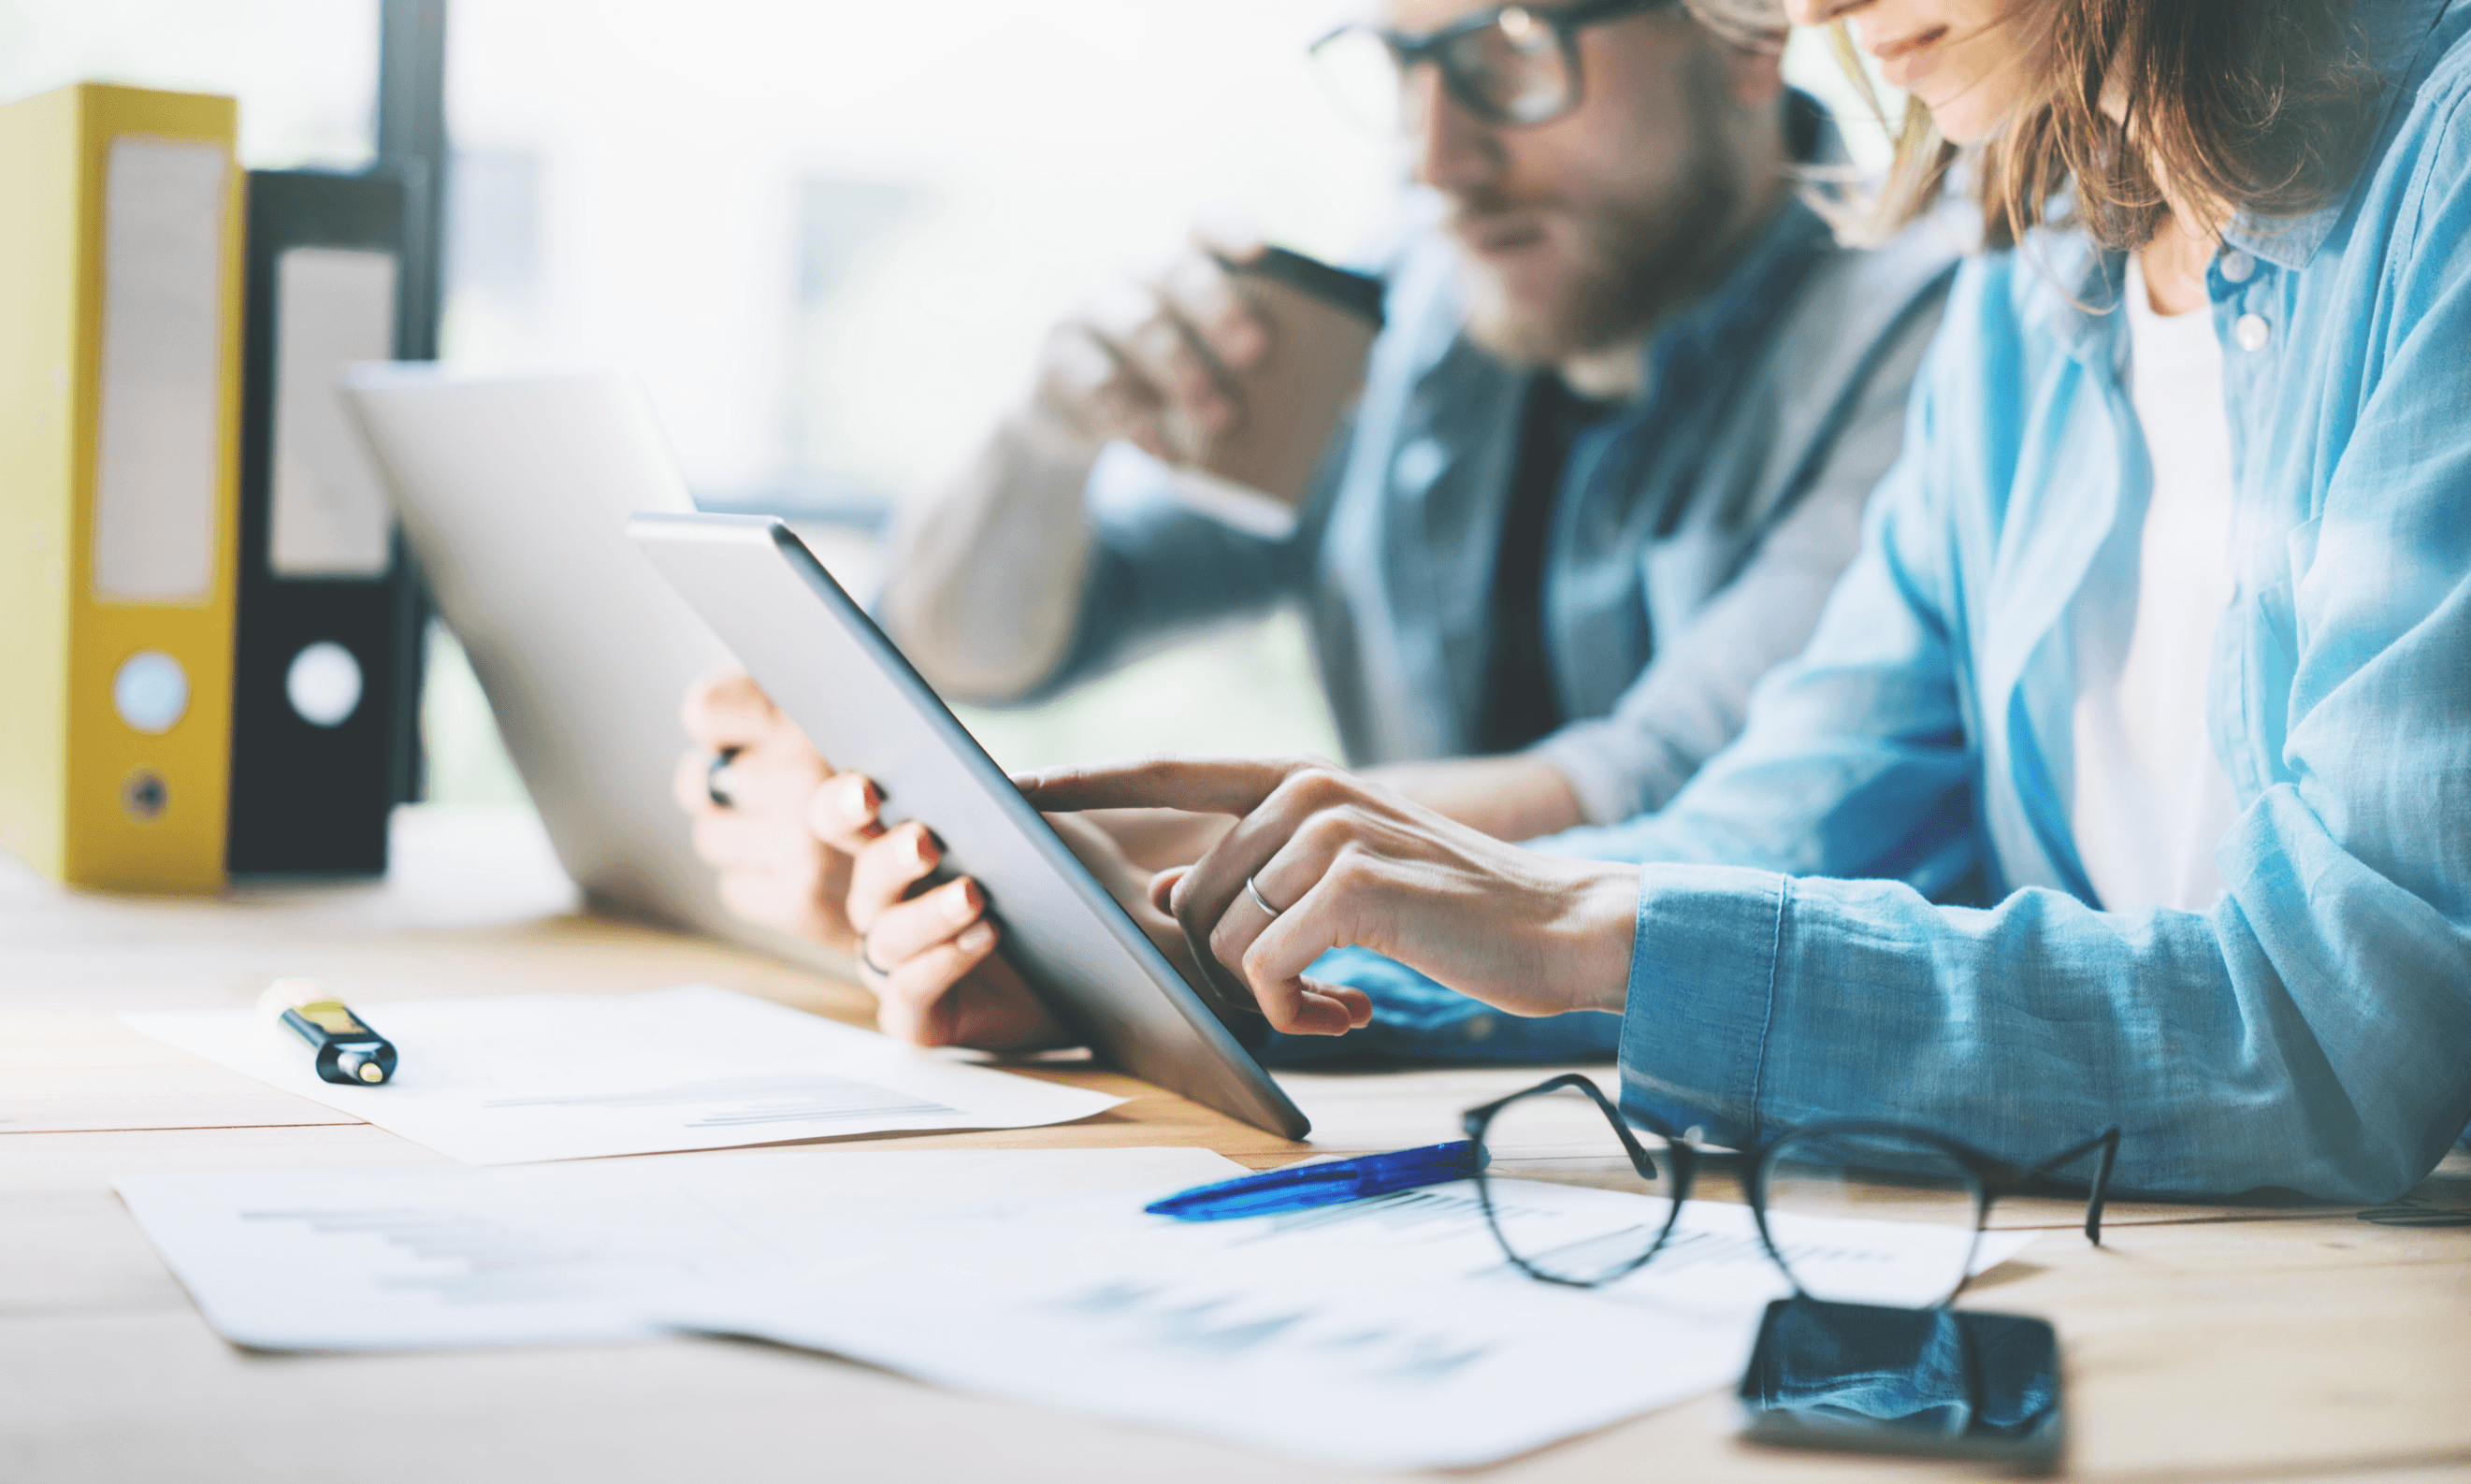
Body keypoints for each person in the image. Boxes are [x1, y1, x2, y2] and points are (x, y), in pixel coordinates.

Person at [828, 0, 2471, 1202]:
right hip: (2148, 1278)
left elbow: (2329, 1035)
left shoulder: (2441, 170)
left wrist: (1567, 926)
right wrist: (1200, 953)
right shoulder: (2033, 266)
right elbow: (1792, 821)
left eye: (1509, 52)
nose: (1812, 11)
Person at [678, 0, 1961, 1009]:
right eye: (1398, 65)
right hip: (1406, 1077)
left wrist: (989, 845)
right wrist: (1050, 431)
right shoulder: (1413, 296)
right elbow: (1005, 641)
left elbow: (1664, 776)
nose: (1435, 155)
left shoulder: (1930, 327)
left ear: (1741, 37)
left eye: (1509, 50)